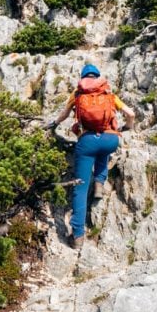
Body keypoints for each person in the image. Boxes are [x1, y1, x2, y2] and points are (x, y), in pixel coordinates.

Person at [48, 64, 136, 250]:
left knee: (80, 188)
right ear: (98, 77)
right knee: (103, 148)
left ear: (83, 77)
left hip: (87, 141)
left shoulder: (78, 93)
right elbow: (131, 113)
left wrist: (53, 124)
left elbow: (64, 114)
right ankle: (99, 183)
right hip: (110, 139)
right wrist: (128, 127)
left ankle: (78, 236)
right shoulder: (107, 91)